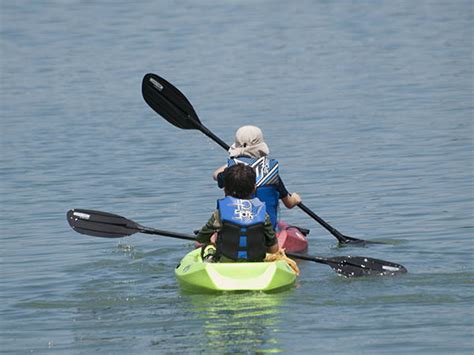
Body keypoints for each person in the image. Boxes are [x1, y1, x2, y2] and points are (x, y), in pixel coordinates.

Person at [213, 125, 301, 229]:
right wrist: (295, 199)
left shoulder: (231, 174)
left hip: (234, 230)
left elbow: (215, 175)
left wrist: (232, 164)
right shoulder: (271, 173)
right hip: (266, 230)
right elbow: (289, 204)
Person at [197, 164, 279, 262]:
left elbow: (201, 238)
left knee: (207, 247)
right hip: (256, 265)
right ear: (254, 188)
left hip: (224, 265)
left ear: (225, 189)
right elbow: (273, 248)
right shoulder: (263, 215)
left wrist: (213, 241)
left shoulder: (220, 214)